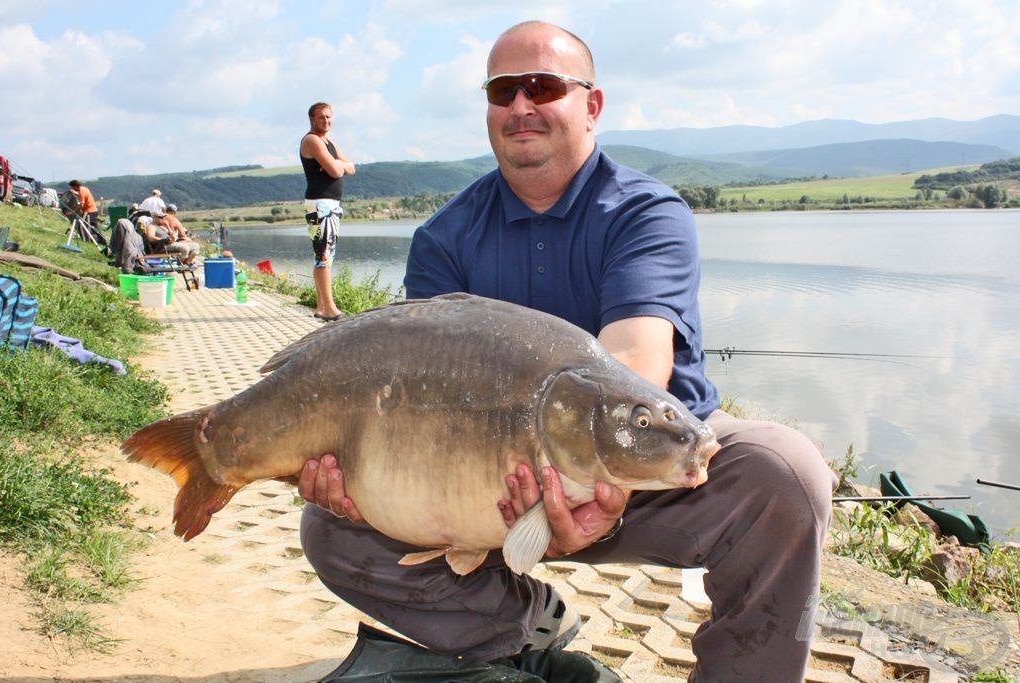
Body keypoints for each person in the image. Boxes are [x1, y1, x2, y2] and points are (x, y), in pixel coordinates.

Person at [297, 21, 836, 682]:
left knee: (789, 474)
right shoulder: (444, 237)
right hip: (484, 482)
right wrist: (363, 484)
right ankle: (523, 629)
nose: (521, 105)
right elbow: (408, 392)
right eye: (502, 90)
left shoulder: (644, 212)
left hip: (653, 469)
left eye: (543, 86)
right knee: (334, 530)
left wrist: (600, 483)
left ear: (592, 104)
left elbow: (636, 358)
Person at [299, 101, 355, 321]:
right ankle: (330, 309)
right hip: (320, 205)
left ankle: (322, 306)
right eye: (322, 117)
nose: (326, 121)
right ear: (312, 119)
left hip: (329, 205)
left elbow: (351, 167)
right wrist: (337, 166)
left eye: (329, 117)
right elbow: (335, 169)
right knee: (323, 255)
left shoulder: (328, 141)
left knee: (324, 254)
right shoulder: (312, 140)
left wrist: (338, 166)